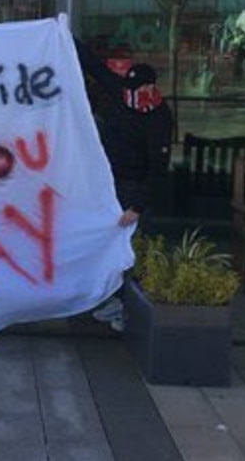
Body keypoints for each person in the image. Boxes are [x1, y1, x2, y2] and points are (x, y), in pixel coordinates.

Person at [75, 39, 175, 330]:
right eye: (129, 89)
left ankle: (126, 305)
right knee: (102, 243)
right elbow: (93, 66)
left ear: (150, 89)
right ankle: (106, 298)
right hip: (106, 182)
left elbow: (158, 168)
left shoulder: (159, 118)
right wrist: (64, 34)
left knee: (129, 248)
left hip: (134, 187)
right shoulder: (120, 93)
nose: (132, 95)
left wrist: (137, 207)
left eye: (138, 90)